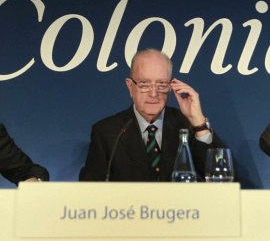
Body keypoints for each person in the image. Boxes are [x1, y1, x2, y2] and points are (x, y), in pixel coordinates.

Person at [79, 48, 225, 182]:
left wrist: (197, 121)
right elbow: (91, 192)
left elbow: (223, 179)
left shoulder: (186, 124)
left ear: (170, 87)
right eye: (144, 84)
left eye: (161, 83)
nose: (154, 93)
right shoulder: (107, 132)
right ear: (130, 87)